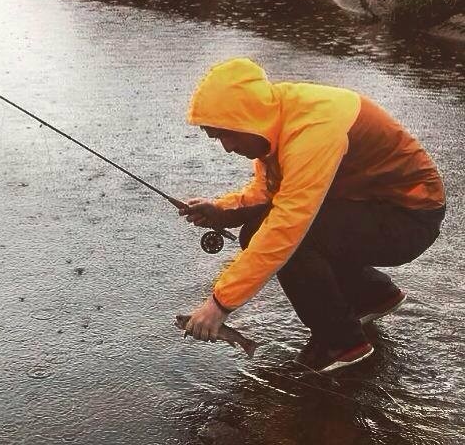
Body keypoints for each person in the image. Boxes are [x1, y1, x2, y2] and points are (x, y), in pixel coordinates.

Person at [179, 57, 445, 373]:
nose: (226, 147)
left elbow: (286, 227)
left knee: (290, 238)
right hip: (369, 206)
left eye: (227, 135)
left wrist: (218, 305)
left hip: (410, 216)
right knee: (256, 228)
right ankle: (373, 296)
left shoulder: (312, 129)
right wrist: (223, 210)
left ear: (248, 119)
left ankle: (343, 343)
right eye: (217, 138)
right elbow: (270, 190)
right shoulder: (274, 116)